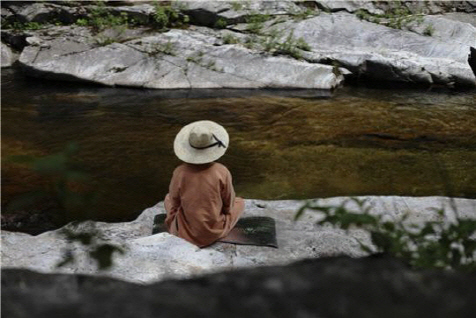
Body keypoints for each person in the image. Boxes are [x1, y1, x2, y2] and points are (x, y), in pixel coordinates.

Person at [164, 120, 245, 247]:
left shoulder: (179, 172)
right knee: (239, 202)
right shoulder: (222, 171)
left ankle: (179, 227)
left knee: (168, 198)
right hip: (214, 231)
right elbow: (228, 204)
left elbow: (175, 203)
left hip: (185, 232)